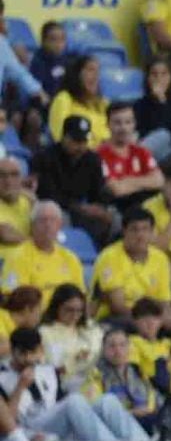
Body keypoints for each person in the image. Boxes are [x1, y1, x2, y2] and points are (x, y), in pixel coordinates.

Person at [0, 324, 151, 441]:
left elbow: (60, 407)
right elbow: (7, 423)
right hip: (28, 428)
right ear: (13, 351)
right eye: (23, 354)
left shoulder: (48, 371)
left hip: (54, 423)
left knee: (107, 401)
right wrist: (20, 386)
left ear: (40, 350)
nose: (28, 359)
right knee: (74, 400)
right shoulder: (3, 377)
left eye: (32, 353)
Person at [32, 115, 113, 246]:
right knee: (60, 219)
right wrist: (80, 207)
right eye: (76, 140)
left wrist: (100, 208)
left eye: (84, 141)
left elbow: (98, 191)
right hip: (55, 208)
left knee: (112, 219)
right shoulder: (46, 157)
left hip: (82, 209)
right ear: (64, 137)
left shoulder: (92, 159)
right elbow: (48, 194)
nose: (80, 145)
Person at [2, 200, 84, 303]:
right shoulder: (18, 256)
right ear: (32, 226)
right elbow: (12, 299)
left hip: (66, 316)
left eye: (53, 220)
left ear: (59, 226)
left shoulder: (71, 258)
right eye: (43, 220)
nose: (48, 225)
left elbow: (80, 297)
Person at [47, 56, 109, 151]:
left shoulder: (102, 102)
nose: (96, 76)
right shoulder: (64, 99)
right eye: (90, 70)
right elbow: (60, 137)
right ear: (77, 74)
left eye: (97, 71)